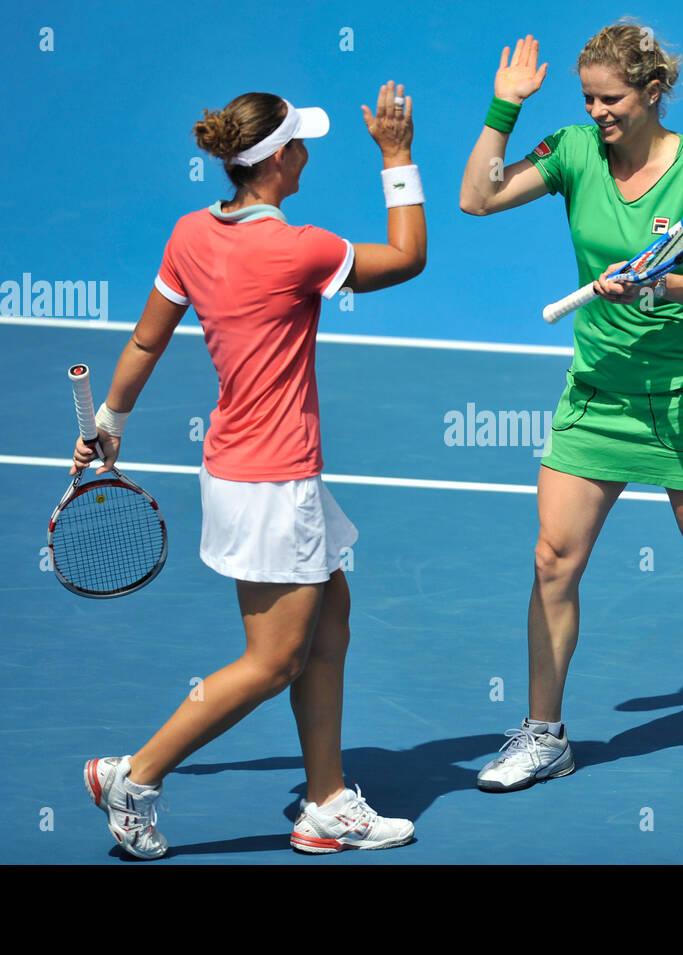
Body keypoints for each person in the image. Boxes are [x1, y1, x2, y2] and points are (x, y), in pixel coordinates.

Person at [459, 26, 683, 794]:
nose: (598, 112)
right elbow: (477, 197)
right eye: (588, 97)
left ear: (651, 92)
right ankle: (545, 733)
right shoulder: (572, 152)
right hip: (599, 392)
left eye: (611, 98)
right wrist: (504, 107)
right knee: (553, 559)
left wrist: (663, 284)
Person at [76, 81, 427, 857]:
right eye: (301, 143)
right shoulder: (300, 249)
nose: (308, 153)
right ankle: (133, 775)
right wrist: (398, 157)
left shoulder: (191, 235)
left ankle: (327, 799)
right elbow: (408, 256)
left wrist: (109, 422)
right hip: (276, 481)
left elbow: (145, 341)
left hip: (237, 471)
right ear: (279, 160)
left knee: (330, 616)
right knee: (271, 663)